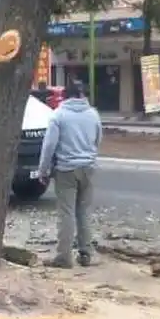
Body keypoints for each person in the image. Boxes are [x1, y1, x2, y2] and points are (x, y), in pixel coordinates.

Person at [37, 78, 102, 268]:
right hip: (88, 168)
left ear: (64, 96)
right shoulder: (93, 114)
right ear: (83, 95)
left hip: (66, 169)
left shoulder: (59, 115)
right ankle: (86, 254)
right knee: (83, 211)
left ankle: (64, 257)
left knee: (66, 213)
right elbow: (97, 140)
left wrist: (43, 170)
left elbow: (49, 146)